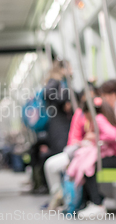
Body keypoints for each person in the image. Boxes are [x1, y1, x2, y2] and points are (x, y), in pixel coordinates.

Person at [68, 97, 116, 218]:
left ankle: (98, 203)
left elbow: (111, 135)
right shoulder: (105, 117)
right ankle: (94, 202)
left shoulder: (99, 118)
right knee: (90, 164)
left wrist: (96, 138)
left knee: (90, 166)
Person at [30, 60, 73, 195]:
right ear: (62, 69)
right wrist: (64, 99)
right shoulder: (55, 82)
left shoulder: (54, 82)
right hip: (59, 126)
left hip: (56, 125)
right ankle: (64, 192)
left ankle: (63, 191)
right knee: (62, 155)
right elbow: (49, 94)